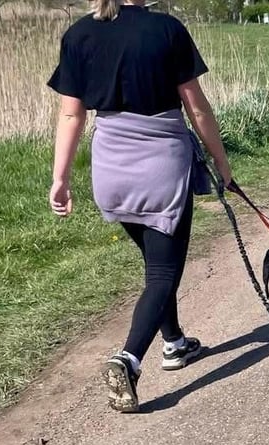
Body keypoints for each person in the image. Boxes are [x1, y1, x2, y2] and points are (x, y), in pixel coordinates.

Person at [46, 0, 232, 413]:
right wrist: (221, 161)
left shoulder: (79, 34)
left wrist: (60, 178)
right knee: (164, 272)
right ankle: (128, 359)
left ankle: (175, 343)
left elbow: (70, 115)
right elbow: (195, 105)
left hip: (111, 167)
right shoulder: (166, 29)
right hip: (160, 164)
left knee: (154, 266)